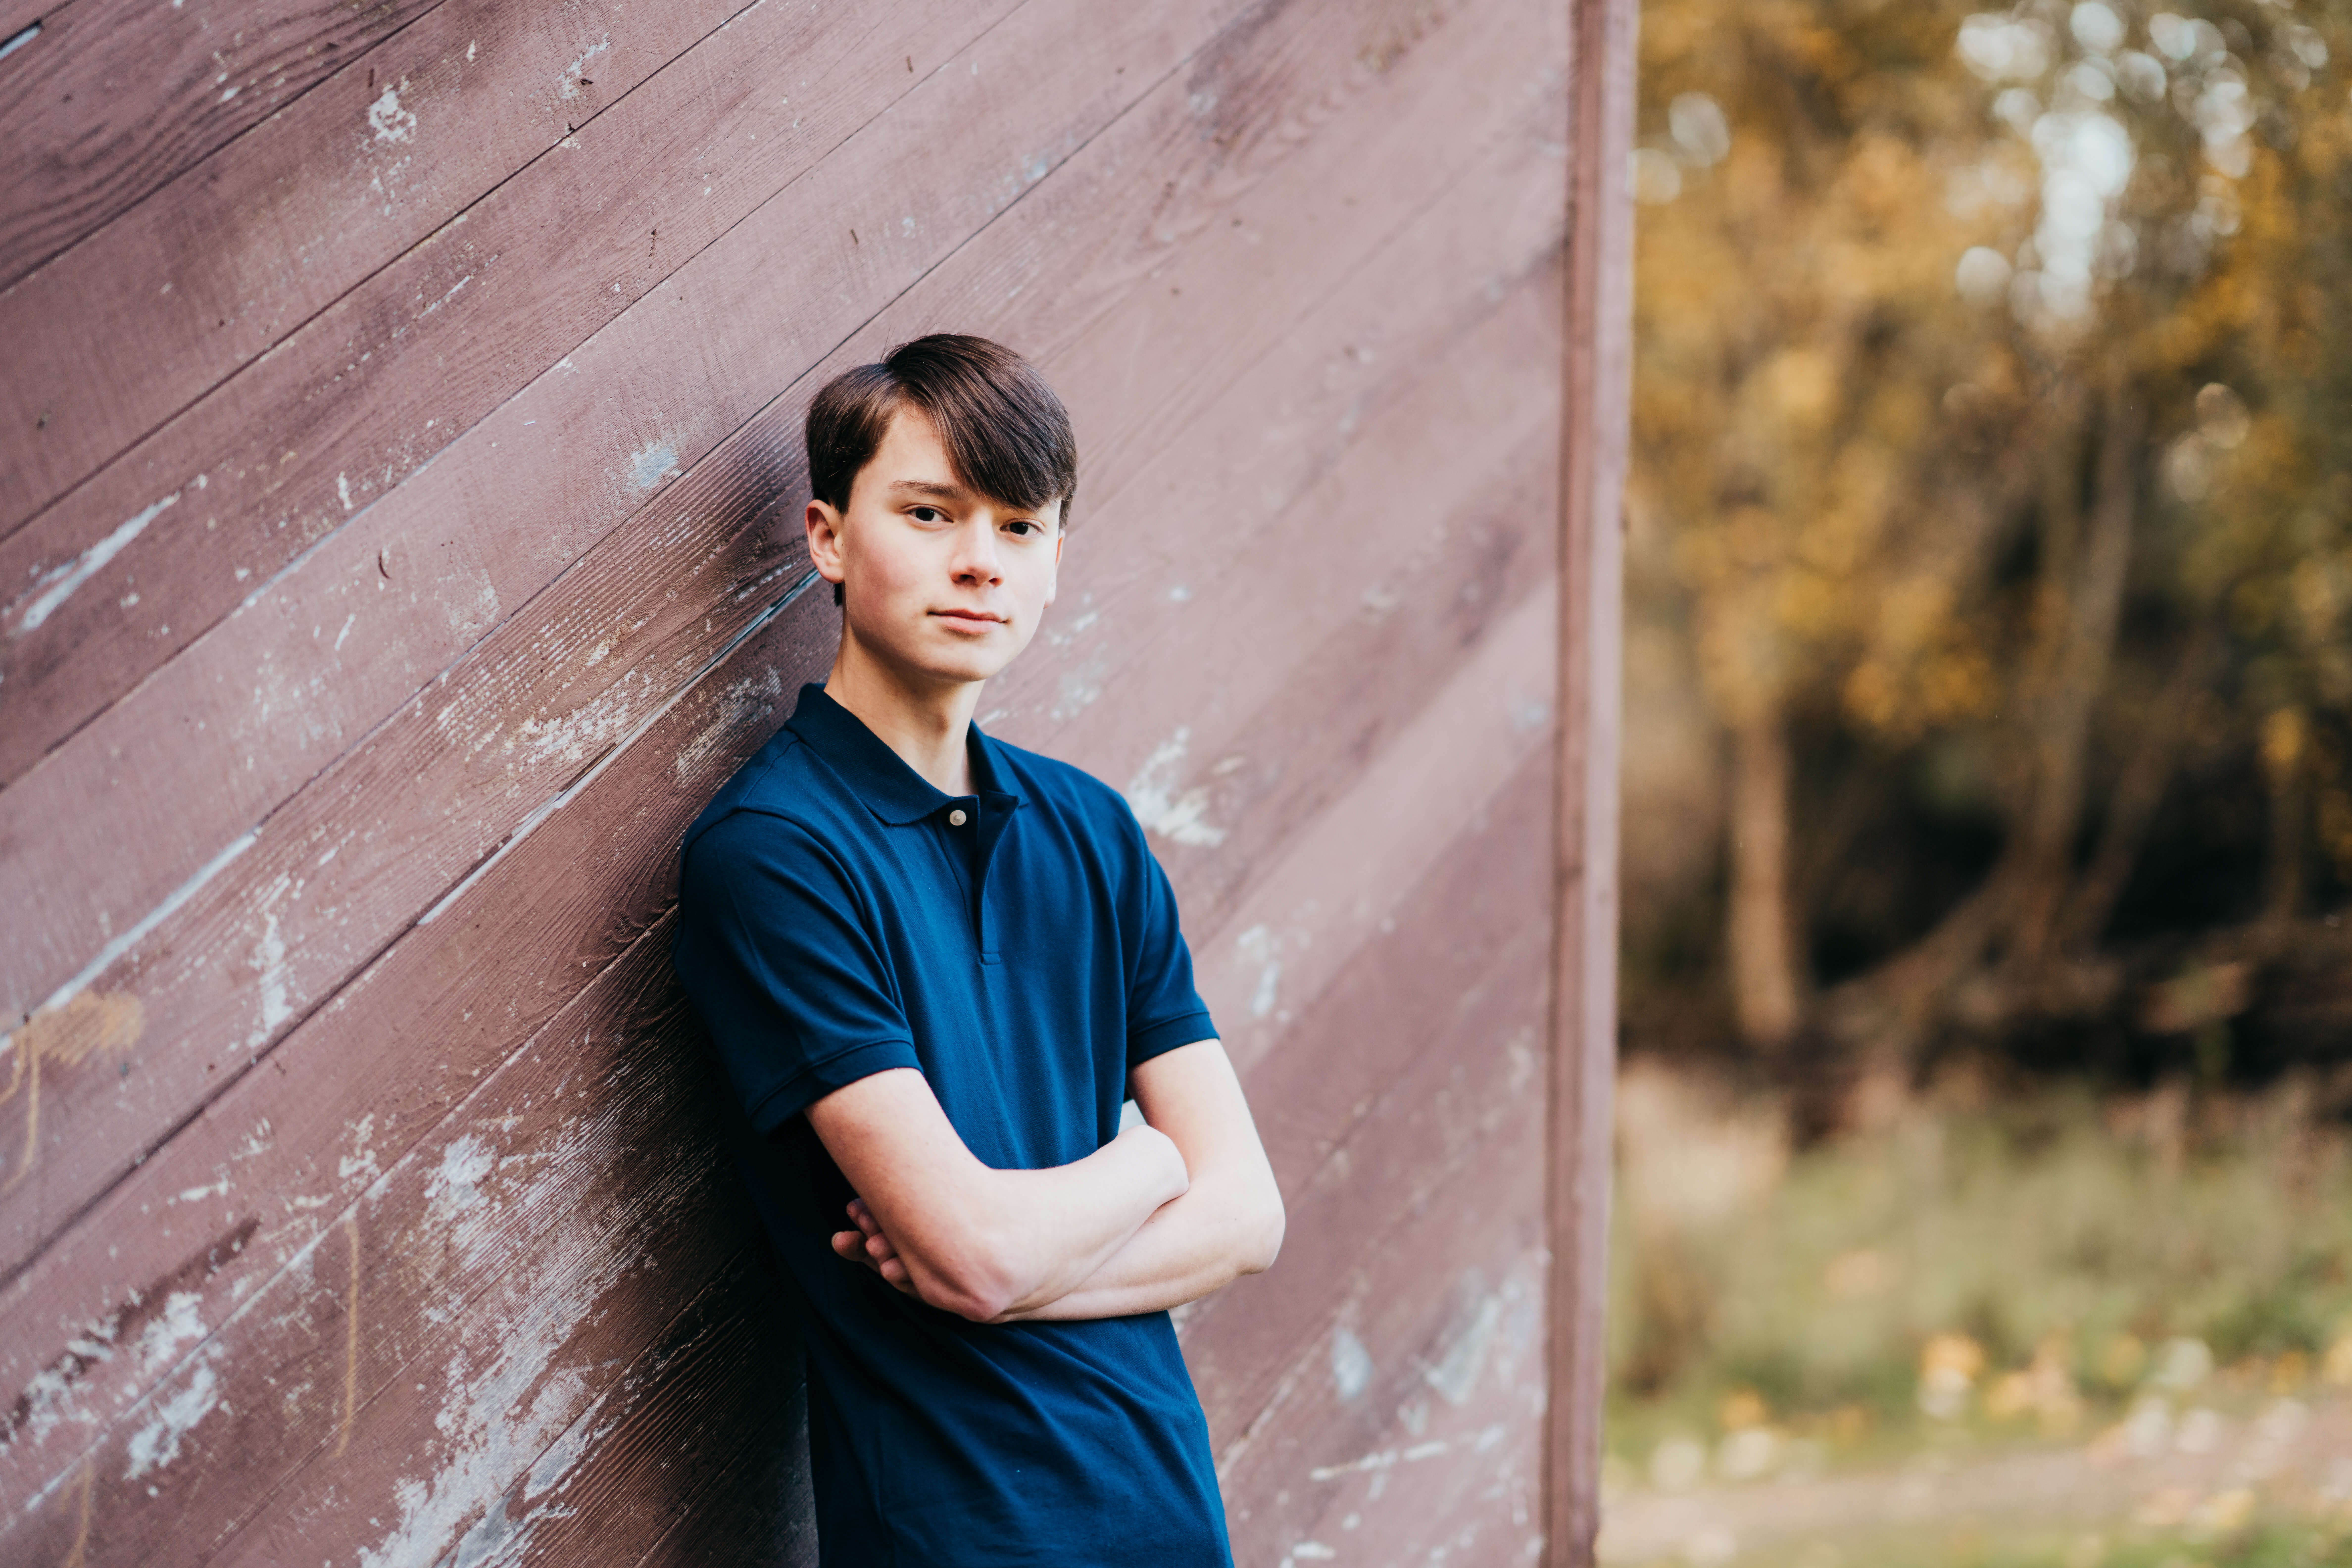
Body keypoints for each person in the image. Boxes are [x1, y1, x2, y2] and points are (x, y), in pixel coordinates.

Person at [671, 334, 1284, 1566]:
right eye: (930, 512)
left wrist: (1011, 1248)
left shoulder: (1092, 831)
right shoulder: (775, 854)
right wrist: (1151, 1162)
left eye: (1020, 527)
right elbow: (975, 1254)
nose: (978, 563)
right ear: (829, 536)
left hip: (1167, 1512)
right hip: (960, 1535)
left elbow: (1250, 1220)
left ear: (1059, 560)